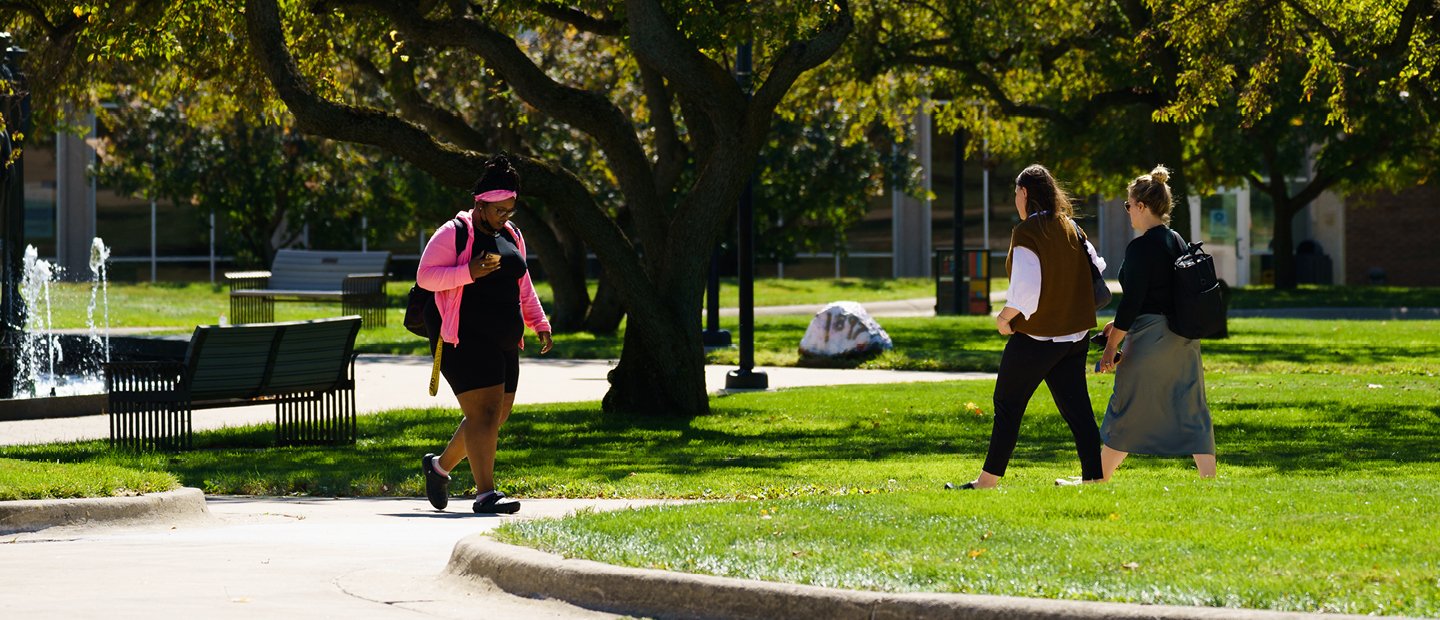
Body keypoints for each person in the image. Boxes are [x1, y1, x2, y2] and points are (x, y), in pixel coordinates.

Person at [952, 164, 1106, 490]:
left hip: (1037, 338)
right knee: (1078, 411)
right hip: (1074, 336)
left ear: (1024, 193)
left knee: (1007, 405)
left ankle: (987, 481)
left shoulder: (1027, 233)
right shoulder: (1072, 227)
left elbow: (1026, 292)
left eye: (1016, 194)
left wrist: (1004, 318)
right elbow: (1097, 267)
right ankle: (1094, 478)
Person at [416, 155, 553, 514]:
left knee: (496, 415)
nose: (505, 216)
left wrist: (539, 322)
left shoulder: (512, 235)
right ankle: (486, 495)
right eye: (498, 210)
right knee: (485, 413)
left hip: (504, 336)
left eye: (510, 209)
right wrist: (469, 271)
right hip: (463, 336)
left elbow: (523, 282)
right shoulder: (454, 233)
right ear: (480, 204)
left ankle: (439, 467)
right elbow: (425, 276)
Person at [1096, 165, 1216, 479]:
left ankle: (1098, 477)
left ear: (1142, 206)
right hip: (1184, 337)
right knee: (1192, 408)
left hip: (1150, 338)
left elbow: (1133, 302)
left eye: (1128, 205)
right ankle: (1209, 479)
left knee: (1126, 404)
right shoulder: (1176, 240)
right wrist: (1116, 329)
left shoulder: (1140, 248)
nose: (1127, 212)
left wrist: (1111, 346)